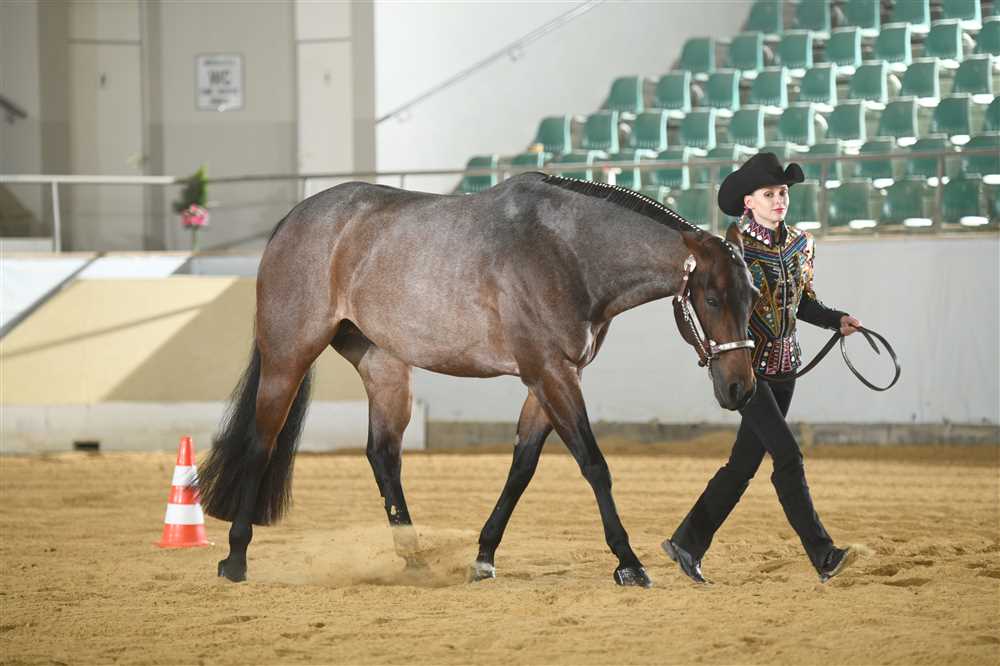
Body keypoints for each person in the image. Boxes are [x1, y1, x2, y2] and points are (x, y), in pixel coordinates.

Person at [663, 152, 863, 584]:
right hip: (750, 373)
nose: (779, 201)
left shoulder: (801, 244)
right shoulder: (730, 253)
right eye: (769, 194)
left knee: (742, 466)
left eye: (782, 193)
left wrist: (837, 320)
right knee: (788, 455)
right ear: (748, 202)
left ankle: (687, 543)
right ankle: (824, 554)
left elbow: (802, 303)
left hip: (787, 367)